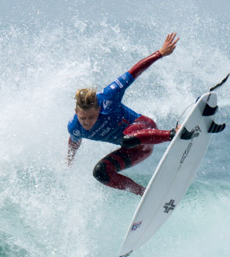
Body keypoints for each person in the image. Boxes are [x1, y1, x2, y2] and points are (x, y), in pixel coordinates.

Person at [66, 32, 179, 196]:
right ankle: (144, 194)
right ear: (76, 111)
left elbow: (134, 72)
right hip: (138, 150)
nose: (87, 122)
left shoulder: (109, 96)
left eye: (91, 117)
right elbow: (73, 142)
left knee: (127, 138)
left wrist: (160, 53)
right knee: (100, 172)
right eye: (83, 118)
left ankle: (174, 134)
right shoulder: (75, 127)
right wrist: (69, 160)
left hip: (145, 129)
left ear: (98, 108)